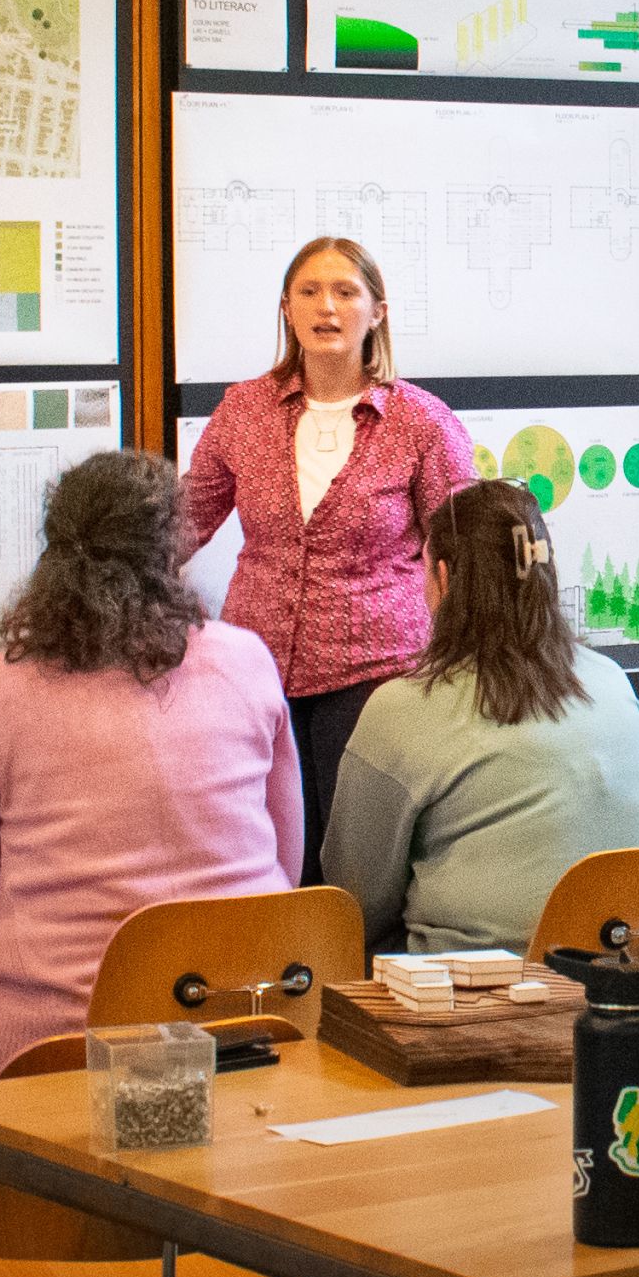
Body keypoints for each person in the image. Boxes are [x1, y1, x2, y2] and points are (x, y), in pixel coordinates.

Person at [0, 450, 304, 1084]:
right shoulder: (247, 660)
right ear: (171, 550)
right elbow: (285, 866)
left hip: (63, 1041)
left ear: (55, 551)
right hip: (244, 1015)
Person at [180, 237, 475, 866]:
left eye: (346, 292)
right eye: (309, 291)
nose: (327, 307)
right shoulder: (243, 410)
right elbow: (185, 519)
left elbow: (465, 552)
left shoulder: (423, 421)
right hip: (256, 672)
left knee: (357, 863)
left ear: (377, 312)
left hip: (377, 676)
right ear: (287, 309)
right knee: (268, 856)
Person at [321, 480, 639, 955]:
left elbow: (352, 906)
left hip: (493, 987)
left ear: (443, 578)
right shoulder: (612, 681)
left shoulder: (401, 710)